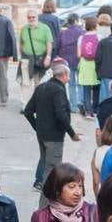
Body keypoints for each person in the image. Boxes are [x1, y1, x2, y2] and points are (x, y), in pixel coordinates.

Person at [23, 61, 81, 197]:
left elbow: (28, 111)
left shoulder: (42, 87)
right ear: (64, 75)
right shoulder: (57, 90)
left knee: (47, 169)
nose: (69, 78)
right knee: (51, 173)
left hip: (42, 135)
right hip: (54, 137)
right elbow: (61, 114)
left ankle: (48, 204)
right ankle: (45, 207)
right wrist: (72, 133)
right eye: (68, 75)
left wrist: (38, 127)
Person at [19, 9, 54, 96]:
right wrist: (22, 57)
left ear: (37, 17)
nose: (31, 19)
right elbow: (21, 44)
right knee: (25, 83)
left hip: (39, 59)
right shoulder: (24, 29)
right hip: (26, 59)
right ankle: (25, 107)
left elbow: (49, 44)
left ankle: (37, 103)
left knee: (38, 83)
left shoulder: (45, 28)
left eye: (33, 17)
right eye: (29, 17)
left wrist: (48, 57)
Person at [56, 17, 86, 115]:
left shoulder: (63, 33)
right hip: (80, 60)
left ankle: (73, 107)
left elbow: (57, 46)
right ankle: (81, 104)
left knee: (71, 84)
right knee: (81, 83)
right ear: (76, 21)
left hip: (67, 61)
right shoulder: (82, 32)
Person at [76, 19, 100, 117]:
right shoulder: (99, 37)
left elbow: (78, 54)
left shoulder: (81, 37)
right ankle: (95, 109)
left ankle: (88, 112)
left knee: (86, 88)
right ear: (95, 25)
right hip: (95, 64)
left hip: (84, 64)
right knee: (96, 88)